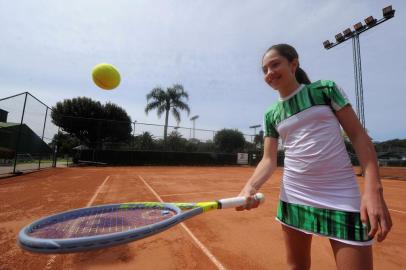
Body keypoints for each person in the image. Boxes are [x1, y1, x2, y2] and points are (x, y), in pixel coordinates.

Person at [236, 44, 392, 270]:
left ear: (293, 63)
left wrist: (373, 190)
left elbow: (359, 136)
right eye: (264, 70)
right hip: (294, 196)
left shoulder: (324, 90)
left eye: (274, 64)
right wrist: (249, 187)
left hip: (342, 196)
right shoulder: (271, 114)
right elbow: (268, 159)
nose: (269, 73)